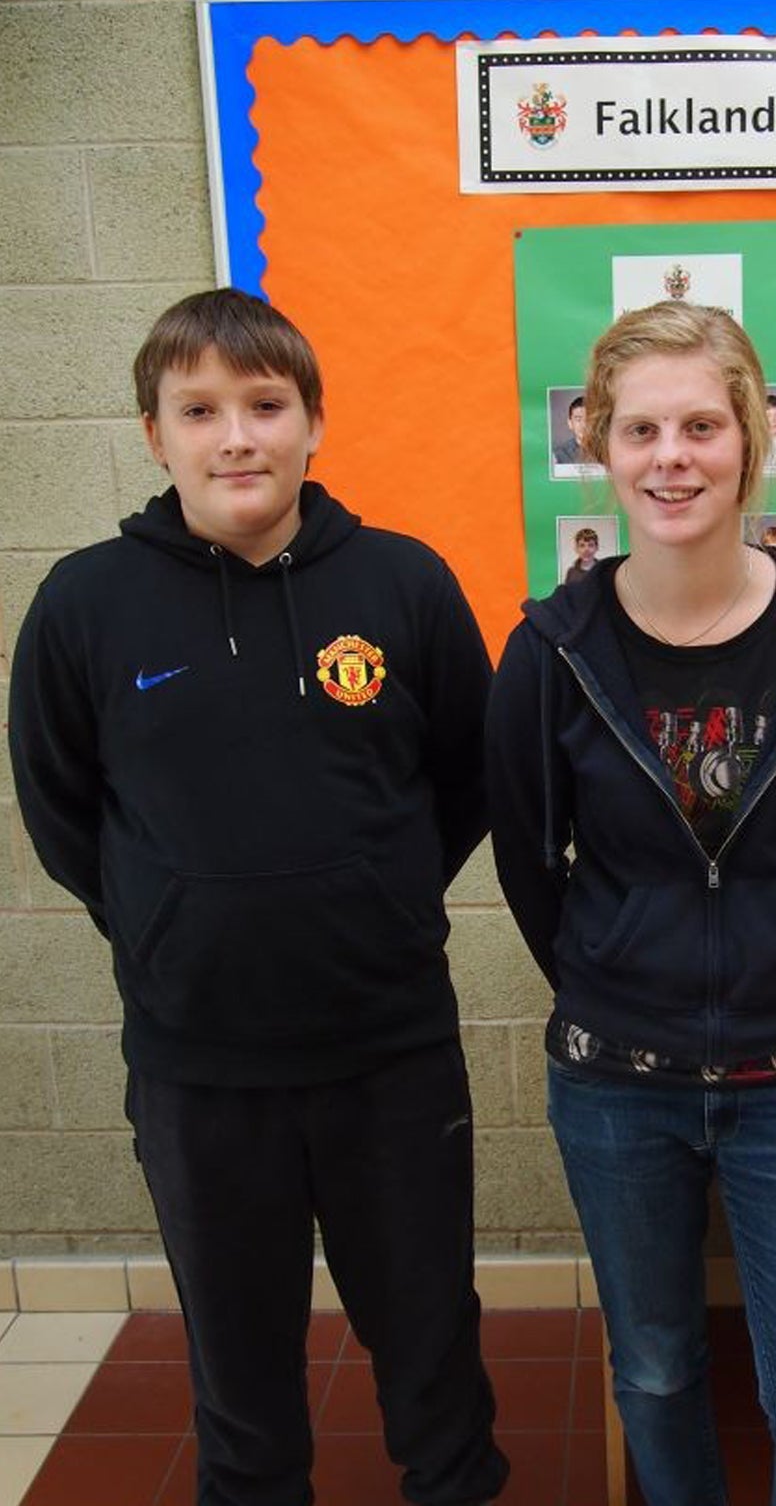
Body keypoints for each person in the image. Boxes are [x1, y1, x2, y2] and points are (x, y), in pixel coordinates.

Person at [8, 288, 508, 1506]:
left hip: (388, 1056)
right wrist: (168, 917)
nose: (237, 437)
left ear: (314, 423)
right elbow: (63, 809)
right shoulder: (83, 605)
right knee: (240, 1375)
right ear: (152, 433)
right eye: (201, 410)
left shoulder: (403, 584)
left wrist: (373, 900)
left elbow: (465, 776)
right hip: (198, 1069)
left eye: (265, 405)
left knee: (433, 1353)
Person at [486, 301, 776, 1506]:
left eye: (701, 426)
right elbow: (527, 860)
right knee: (659, 1374)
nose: (671, 457)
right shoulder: (553, 648)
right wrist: (612, 967)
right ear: (599, 447)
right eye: (640, 429)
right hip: (616, 1079)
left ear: (755, 435)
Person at [553, 393, 589, 466]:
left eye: (588, 420)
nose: (583, 425)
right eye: (578, 419)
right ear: (570, 423)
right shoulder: (559, 455)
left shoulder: (607, 452)